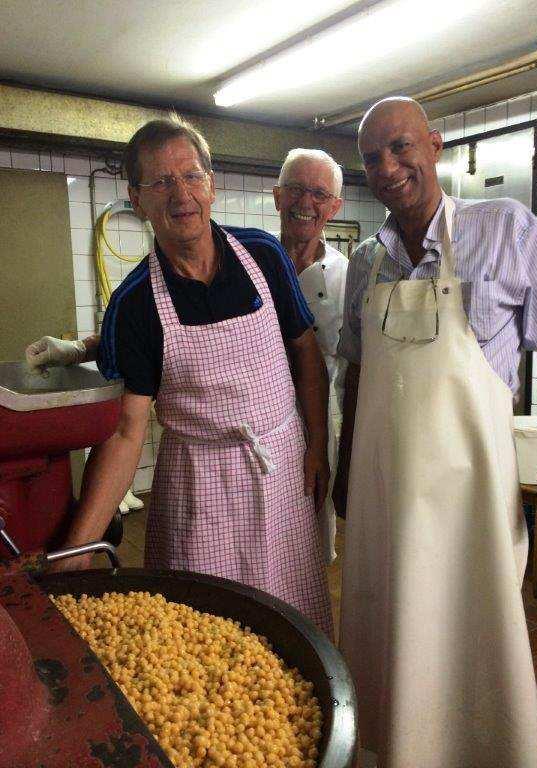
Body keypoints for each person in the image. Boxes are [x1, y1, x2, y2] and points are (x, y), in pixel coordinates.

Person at [333, 96, 537, 768]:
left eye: (401, 146)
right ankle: (397, 750)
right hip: (388, 497)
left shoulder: (505, 229)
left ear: (435, 146)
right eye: (373, 156)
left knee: (476, 633)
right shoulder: (367, 266)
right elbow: (357, 376)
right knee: (393, 625)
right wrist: (347, 468)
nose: (388, 165)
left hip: (474, 496)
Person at [43, 116, 333, 637]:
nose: (181, 194)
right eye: (161, 182)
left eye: (191, 176)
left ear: (211, 184)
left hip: (282, 467)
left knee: (294, 623)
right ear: (137, 198)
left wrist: (317, 448)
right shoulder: (133, 305)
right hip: (198, 485)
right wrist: (77, 547)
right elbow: (128, 432)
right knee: (205, 635)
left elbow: (307, 358)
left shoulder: (263, 257)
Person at [273, 148, 348, 563]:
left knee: (309, 544)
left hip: (320, 424)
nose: (306, 203)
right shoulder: (249, 262)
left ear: (334, 207)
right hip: (258, 420)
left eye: (319, 194)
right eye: (296, 190)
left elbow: (353, 367)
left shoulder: (347, 275)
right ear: (277, 196)